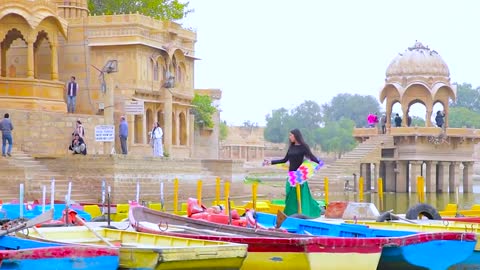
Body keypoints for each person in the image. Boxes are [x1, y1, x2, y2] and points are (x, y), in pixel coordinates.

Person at [264, 129, 321, 218]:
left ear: (296, 135)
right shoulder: (291, 147)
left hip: (299, 176)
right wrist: (270, 162)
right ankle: (290, 214)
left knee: (299, 197)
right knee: (289, 196)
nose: (289, 137)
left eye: (291, 135)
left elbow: (312, 157)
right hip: (291, 176)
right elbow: (284, 160)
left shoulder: (304, 147)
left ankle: (301, 213)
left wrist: (318, 164)